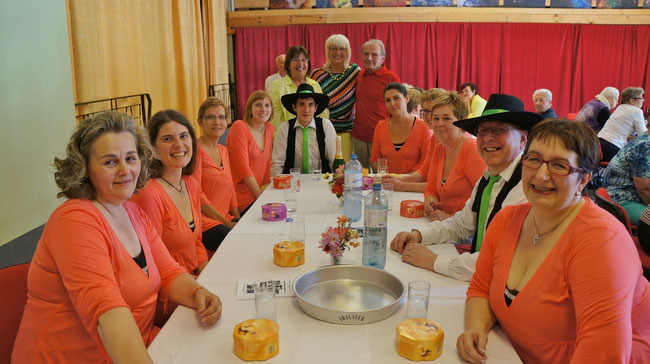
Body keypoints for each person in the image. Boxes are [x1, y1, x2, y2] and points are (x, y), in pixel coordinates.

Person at [12, 112, 222, 363]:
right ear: (85, 169)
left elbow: (169, 273)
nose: (125, 170)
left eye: (131, 158)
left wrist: (198, 292)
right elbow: (108, 313)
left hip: (139, 347)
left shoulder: (132, 211)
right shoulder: (74, 221)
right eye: (110, 162)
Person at [457, 119, 650, 364]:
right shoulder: (506, 220)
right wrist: (476, 327)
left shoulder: (601, 242)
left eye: (559, 166)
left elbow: (604, 354)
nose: (541, 174)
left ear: (584, 180)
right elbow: (481, 288)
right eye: (534, 159)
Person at [390, 94, 542, 282]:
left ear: (522, 140)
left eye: (499, 130)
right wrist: (419, 234)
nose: (488, 138)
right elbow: (462, 225)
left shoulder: (527, 188)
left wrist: (434, 260)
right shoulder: (489, 178)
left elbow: (498, 261)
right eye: (483, 131)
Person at [131, 110, 210, 274]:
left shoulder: (190, 184)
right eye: (168, 139)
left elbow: (196, 241)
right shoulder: (149, 193)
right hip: (172, 289)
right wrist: (190, 285)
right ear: (152, 148)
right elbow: (152, 259)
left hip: (194, 278)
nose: (178, 144)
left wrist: (205, 268)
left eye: (183, 136)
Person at [421, 90, 486, 220]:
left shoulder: (471, 150)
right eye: (436, 118)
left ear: (461, 122)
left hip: (466, 233)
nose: (439, 124)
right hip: (445, 226)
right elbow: (430, 188)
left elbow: (484, 202)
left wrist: (449, 218)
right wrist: (431, 201)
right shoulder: (440, 148)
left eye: (446, 118)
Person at [193, 98, 241, 249]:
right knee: (238, 244)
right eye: (210, 117)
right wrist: (227, 223)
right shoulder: (194, 151)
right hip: (204, 223)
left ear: (227, 121)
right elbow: (197, 195)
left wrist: (237, 218)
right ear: (199, 121)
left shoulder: (223, 150)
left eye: (221, 117)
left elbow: (230, 188)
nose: (217, 122)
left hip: (224, 218)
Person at [383, 88, 445, 192]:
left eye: (434, 111)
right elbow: (424, 171)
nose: (430, 116)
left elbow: (444, 187)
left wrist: (401, 185)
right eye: (425, 111)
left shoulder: (462, 143)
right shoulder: (436, 137)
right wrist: (398, 178)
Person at [350, 39, 401, 168]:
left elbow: (399, 109)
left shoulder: (391, 78)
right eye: (366, 54)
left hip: (382, 137)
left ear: (383, 58)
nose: (369, 58)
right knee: (360, 175)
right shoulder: (359, 76)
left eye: (374, 55)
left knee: (381, 176)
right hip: (359, 136)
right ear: (361, 56)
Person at [271, 83, 336, 177]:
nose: (306, 110)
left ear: (315, 107)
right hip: (293, 183)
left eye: (310, 105)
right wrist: (276, 186)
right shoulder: (285, 127)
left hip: (321, 182)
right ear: (294, 107)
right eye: (301, 104)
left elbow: (334, 160)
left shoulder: (325, 125)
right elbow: (277, 163)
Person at [227, 91, 275, 214]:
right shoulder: (239, 127)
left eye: (267, 105)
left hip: (260, 194)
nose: (263, 109)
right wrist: (260, 197)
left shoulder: (269, 128)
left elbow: (267, 165)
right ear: (250, 108)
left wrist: (267, 192)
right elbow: (242, 168)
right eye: (258, 105)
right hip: (241, 198)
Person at [370, 82, 432, 174]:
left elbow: (425, 162)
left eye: (396, 98)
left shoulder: (423, 127)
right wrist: (387, 178)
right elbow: (374, 160)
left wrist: (402, 180)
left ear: (407, 99)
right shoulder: (380, 126)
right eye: (387, 100)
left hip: (412, 184)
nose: (392, 103)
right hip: (387, 184)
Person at [269, 46, 328, 134]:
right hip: (287, 138)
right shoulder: (278, 86)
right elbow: (275, 120)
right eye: (295, 60)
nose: (300, 64)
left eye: (304, 59)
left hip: (313, 138)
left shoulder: (315, 85)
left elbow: (323, 115)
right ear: (288, 64)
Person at [310, 34, 361, 136]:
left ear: (348, 51)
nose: (338, 52)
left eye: (342, 49)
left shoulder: (354, 72)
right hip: (323, 130)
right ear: (327, 51)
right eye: (334, 48)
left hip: (348, 131)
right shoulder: (317, 75)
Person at [602, 128, 650, 225]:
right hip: (622, 199)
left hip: (632, 195)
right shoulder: (645, 145)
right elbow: (644, 189)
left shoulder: (645, 137)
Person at [598, 87, 646, 162]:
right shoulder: (637, 111)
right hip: (612, 148)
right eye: (641, 98)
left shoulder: (619, 108)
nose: (643, 100)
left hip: (599, 145)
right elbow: (644, 136)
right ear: (632, 100)